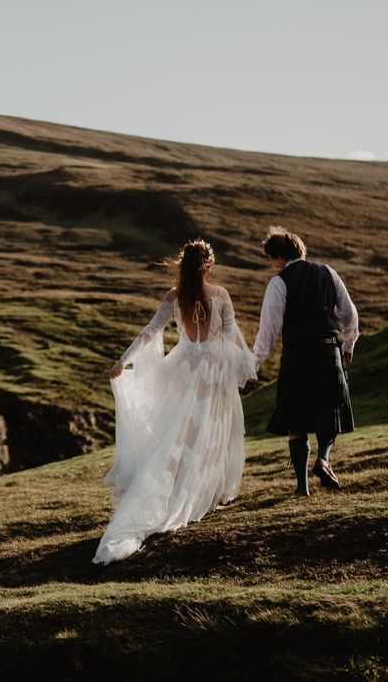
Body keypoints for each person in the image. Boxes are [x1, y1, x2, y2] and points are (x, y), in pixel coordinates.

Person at [93, 239, 256, 565]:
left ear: (182, 265)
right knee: (212, 429)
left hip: (184, 366)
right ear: (209, 266)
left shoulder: (174, 296)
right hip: (213, 369)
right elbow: (230, 333)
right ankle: (204, 490)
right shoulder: (221, 295)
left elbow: (151, 332)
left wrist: (123, 361)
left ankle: (184, 484)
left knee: (179, 430)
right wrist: (247, 365)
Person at [253, 226, 359, 496]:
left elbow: (269, 329)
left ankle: (302, 487)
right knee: (329, 413)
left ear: (278, 257)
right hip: (328, 350)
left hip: (297, 353)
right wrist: (348, 345)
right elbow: (349, 313)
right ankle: (323, 460)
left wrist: (254, 364)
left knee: (297, 420)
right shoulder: (328, 272)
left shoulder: (279, 282)